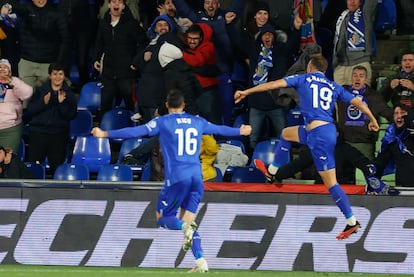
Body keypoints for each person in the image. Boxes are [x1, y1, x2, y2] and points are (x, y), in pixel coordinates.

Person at [91, 89, 252, 272]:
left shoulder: (163, 121)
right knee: (188, 225)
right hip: (197, 178)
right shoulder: (197, 121)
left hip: (177, 177)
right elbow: (219, 129)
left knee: (164, 219)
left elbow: (136, 131)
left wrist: (105, 134)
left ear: (167, 106)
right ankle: (200, 260)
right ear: (184, 105)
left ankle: (185, 229)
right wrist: (240, 130)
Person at [234, 55, 380, 240]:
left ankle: (352, 222)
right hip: (316, 131)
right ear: (324, 70)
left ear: (309, 67)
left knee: (331, 184)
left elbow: (273, 85)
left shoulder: (302, 78)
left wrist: (246, 92)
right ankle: (272, 172)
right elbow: (358, 102)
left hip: (320, 136)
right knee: (286, 133)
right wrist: (373, 120)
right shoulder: (332, 85)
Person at [173, 0, 248, 125]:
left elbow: (238, 5)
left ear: (218, 4)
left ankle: (225, 135)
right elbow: (183, 7)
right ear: (203, 4)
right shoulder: (197, 18)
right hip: (206, 77)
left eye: (213, 2)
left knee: (226, 106)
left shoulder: (226, 16)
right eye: (207, 2)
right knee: (207, 109)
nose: (211, 5)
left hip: (224, 72)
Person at [8, 0, 70, 107]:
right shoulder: (24, 10)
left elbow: (66, 39)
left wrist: (58, 63)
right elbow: (12, 6)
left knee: (47, 100)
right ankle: (26, 122)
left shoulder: (57, 14)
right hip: (26, 63)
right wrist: (6, 7)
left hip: (48, 64)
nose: (40, 0)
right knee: (26, 102)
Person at [93, 0, 147, 115]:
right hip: (108, 72)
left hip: (126, 72)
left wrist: (136, 61)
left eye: (119, 2)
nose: (116, 4)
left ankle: (132, 129)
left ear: (123, 6)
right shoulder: (103, 23)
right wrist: (96, 58)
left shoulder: (131, 24)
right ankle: (103, 129)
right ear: (109, 5)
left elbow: (142, 42)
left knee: (130, 105)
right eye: (113, 2)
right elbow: (99, 43)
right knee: (105, 105)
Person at [273, 128, 377, 184]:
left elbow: (364, 164)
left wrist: (372, 177)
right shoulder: (317, 149)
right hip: (321, 192)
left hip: (345, 191)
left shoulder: (347, 149)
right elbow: (297, 165)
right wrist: (277, 175)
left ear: (337, 133)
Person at [243, 23, 289, 149]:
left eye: (270, 34)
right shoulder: (254, 50)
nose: (267, 37)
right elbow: (237, 42)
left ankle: (285, 161)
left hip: (275, 103)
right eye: (265, 34)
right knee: (253, 138)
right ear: (261, 37)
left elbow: (294, 45)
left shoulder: (280, 51)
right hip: (256, 104)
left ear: (274, 37)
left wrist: (296, 29)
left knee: (283, 135)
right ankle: (252, 162)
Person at [25, 63, 77, 173]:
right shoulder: (40, 91)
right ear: (49, 75)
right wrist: (43, 103)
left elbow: (71, 115)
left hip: (58, 135)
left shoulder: (69, 94)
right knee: (34, 167)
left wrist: (61, 104)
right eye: (54, 74)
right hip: (38, 133)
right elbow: (29, 111)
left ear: (64, 76)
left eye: (60, 74)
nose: (57, 77)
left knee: (57, 167)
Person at [337, 65, 393, 160]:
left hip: (364, 144)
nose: (357, 78)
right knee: (343, 173)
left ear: (366, 79)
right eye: (355, 75)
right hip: (344, 142)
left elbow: (388, 113)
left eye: (361, 76)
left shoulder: (374, 97)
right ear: (351, 78)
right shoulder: (343, 92)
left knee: (368, 173)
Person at [182, 23, 222, 124]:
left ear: (201, 38)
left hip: (207, 91)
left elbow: (197, 61)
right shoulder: (187, 49)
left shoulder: (208, 46)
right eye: (189, 38)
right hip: (193, 91)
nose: (191, 41)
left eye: (195, 38)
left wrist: (180, 54)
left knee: (212, 120)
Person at [333, 0, 377, 86]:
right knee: (338, 99)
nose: (352, 1)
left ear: (360, 1)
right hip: (341, 67)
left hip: (360, 64)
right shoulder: (342, 17)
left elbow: (372, 2)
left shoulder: (366, 14)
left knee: (359, 98)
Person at [373, 103, 414, 187]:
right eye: (396, 113)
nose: (399, 116)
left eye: (402, 113)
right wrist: (374, 181)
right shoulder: (391, 137)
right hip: (403, 185)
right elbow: (382, 161)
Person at [0, 58, 33, 153]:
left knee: (9, 161)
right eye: (0, 68)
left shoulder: (14, 82)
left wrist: (12, 81)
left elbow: (28, 93)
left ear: (9, 71)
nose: (2, 70)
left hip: (11, 129)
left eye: (5, 68)